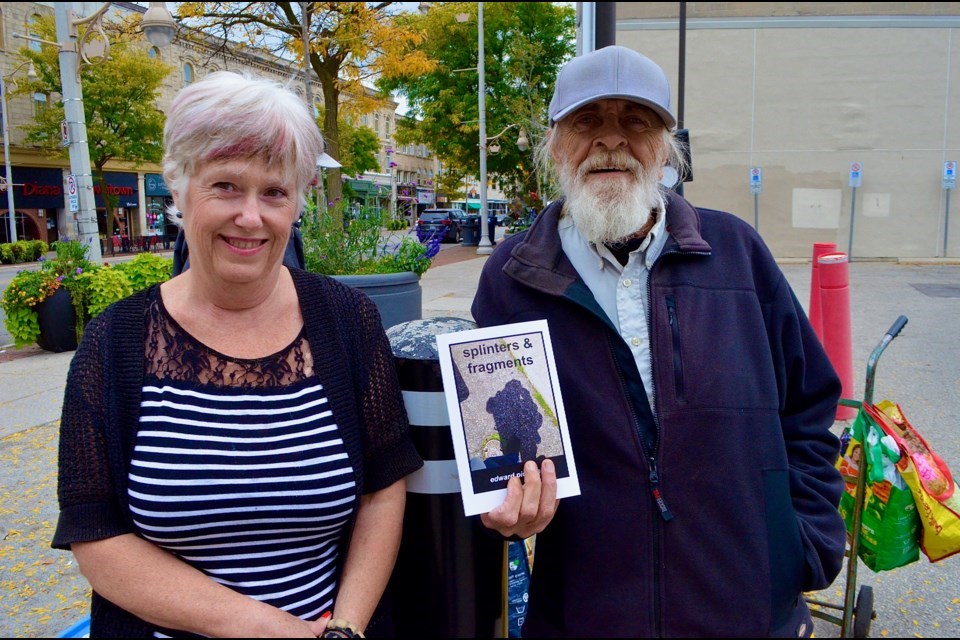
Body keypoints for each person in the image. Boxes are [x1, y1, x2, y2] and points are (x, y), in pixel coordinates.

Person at [471, 45, 847, 638]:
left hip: (744, 609)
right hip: (589, 614)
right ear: (556, 142)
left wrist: (802, 544)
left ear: (666, 146)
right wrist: (511, 512)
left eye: (636, 121)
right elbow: (502, 445)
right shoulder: (512, 277)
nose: (611, 141)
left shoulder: (738, 254)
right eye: (587, 120)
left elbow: (808, 410)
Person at [52, 71, 423, 638]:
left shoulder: (349, 321)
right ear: (178, 190)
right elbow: (96, 536)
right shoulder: (114, 343)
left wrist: (344, 628)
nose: (251, 217)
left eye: (274, 192)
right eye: (225, 186)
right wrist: (271, 631)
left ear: (297, 203)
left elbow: (382, 488)